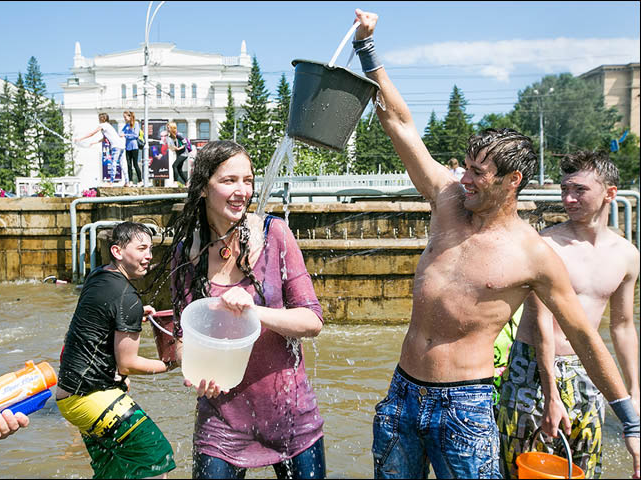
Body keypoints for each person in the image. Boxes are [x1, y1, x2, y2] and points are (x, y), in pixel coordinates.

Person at [351, 9, 639, 479]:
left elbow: (587, 338)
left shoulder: (533, 254)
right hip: (403, 394)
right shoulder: (447, 202)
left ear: (512, 181)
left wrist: (631, 419)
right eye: (464, 167)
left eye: (477, 173)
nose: (462, 178)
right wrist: (368, 51)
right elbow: (400, 124)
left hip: (465, 406)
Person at [163, 140, 325, 479]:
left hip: (289, 413)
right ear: (203, 187)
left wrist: (255, 311)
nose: (242, 191)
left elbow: (312, 321)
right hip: (221, 419)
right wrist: (192, 370)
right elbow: (182, 338)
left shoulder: (275, 234)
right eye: (229, 181)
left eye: (248, 181)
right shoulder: (186, 254)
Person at [497, 151, 640, 478]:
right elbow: (542, 325)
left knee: (584, 466)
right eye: (564, 190)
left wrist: (633, 395)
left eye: (579, 190)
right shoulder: (546, 246)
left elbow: (623, 327)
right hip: (531, 367)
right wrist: (551, 396)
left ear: (610, 193)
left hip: (587, 368)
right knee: (522, 466)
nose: (568, 198)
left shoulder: (627, 256)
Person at [56, 222, 175, 479]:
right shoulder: (127, 297)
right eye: (141, 248)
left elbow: (97, 317)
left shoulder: (99, 276)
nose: (149, 256)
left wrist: (130, 316)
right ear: (117, 251)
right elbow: (128, 364)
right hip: (92, 397)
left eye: (151, 249)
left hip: (70, 395)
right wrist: (171, 364)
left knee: (113, 471)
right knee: (157, 459)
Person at [76, 113, 127, 187]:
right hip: (121, 145)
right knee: (123, 164)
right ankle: (127, 182)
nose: (98, 120)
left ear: (102, 119)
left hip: (115, 146)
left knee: (113, 163)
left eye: (99, 118)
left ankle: (111, 182)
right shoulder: (108, 125)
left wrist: (80, 139)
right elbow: (104, 138)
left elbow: (92, 133)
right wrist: (94, 143)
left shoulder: (103, 125)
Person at [121, 110, 143, 186]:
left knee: (135, 164)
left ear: (129, 116)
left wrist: (126, 135)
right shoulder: (126, 125)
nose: (124, 118)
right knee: (129, 164)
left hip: (134, 146)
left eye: (125, 117)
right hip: (127, 147)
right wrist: (122, 134)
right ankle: (130, 181)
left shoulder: (135, 124)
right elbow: (121, 132)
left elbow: (135, 135)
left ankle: (140, 181)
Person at [168, 122, 189, 186]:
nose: (167, 129)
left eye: (168, 127)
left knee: (174, 166)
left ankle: (175, 182)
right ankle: (187, 183)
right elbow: (173, 145)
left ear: (172, 128)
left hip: (184, 154)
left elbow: (185, 144)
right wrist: (172, 148)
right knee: (179, 169)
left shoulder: (178, 135)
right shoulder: (170, 136)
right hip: (179, 154)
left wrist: (178, 149)